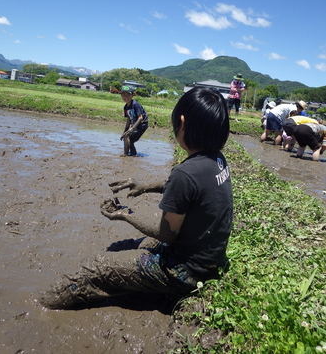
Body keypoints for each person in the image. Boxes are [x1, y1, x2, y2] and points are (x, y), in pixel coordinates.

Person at [40, 87, 233, 310]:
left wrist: (125, 214)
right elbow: (190, 189)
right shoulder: (215, 160)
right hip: (206, 259)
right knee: (124, 246)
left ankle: (40, 306)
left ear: (181, 122)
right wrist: (143, 187)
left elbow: (166, 235)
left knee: (95, 269)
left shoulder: (185, 174)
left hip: (185, 271)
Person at [120, 85, 148, 156]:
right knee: (127, 137)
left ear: (132, 95)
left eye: (128, 95)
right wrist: (125, 131)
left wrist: (132, 129)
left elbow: (140, 117)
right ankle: (132, 154)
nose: (126, 97)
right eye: (124, 95)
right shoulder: (126, 107)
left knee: (128, 137)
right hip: (135, 124)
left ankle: (125, 155)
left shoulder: (135, 104)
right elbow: (129, 119)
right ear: (121, 96)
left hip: (142, 125)